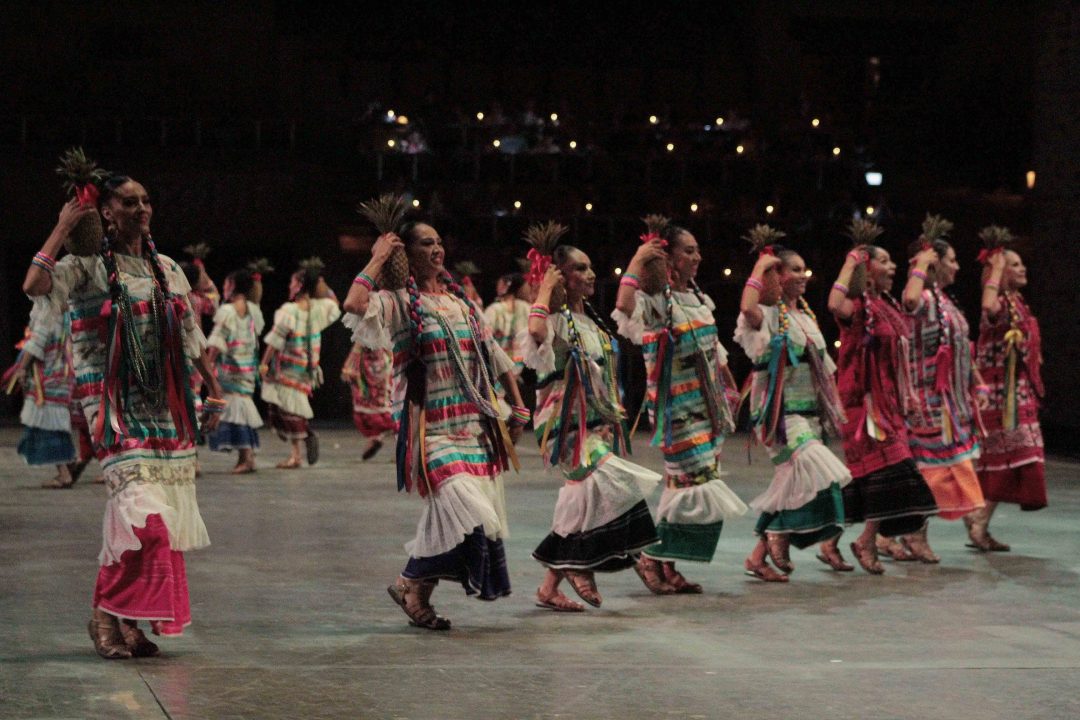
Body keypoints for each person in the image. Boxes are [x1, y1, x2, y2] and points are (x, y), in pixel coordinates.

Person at [22, 176, 224, 659]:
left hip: (165, 410)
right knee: (145, 522)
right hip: (112, 411)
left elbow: (193, 338)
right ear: (106, 213)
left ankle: (127, 624)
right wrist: (62, 226)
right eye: (128, 202)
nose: (141, 209)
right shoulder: (84, 267)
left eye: (146, 200)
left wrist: (214, 392)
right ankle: (103, 613)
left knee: (161, 528)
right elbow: (34, 283)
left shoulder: (168, 269)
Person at [343, 220, 526, 630]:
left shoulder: (460, 302)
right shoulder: (398, 302)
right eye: (427, 244)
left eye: (440, 241)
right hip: (432, 429)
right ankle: (410, 580)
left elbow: (493, 354)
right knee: (467, 509)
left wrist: (517, 407)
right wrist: (378, 256)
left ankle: (414, 592)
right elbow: (355, 304)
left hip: (474, 427)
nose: (437, 249)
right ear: (407, 254)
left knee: (450, 519)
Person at [523, 233, 661, 611]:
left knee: (582, 497)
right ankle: (583, 564)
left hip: (597, 423)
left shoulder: (591, 321)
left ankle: (551, 584)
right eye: (579, 268)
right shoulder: (550, 319)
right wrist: (545, 288)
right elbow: (535, 334)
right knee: (611, 478)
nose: (590, 274)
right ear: (560, 276)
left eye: (590, 267)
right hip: (563, 424)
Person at [612, 221, 748, 593]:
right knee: (697, 485)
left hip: (709, 408)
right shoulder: (659, 302)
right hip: (677, 412)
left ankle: (667, 565)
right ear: (668, 258)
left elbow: (713, 352)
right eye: (688, 251)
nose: (697, 257)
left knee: (683, 486)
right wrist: (639, 260)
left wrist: (730, 392)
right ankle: (651, 557)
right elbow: (623, 305)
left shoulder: (701, 300)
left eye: (697, 250)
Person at [735, 226, 852, 582]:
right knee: (815, 472)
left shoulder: (805, 318)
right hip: (778, 416)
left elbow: (822, 374)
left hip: (808, 414)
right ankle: (777, 536)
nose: (803, 276)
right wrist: (759, 269)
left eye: (804, 270)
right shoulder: (767, 316)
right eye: (795, 270)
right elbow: (746, 307)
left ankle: (758, 555)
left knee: (795, 480)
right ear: (778, 276)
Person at [826, 224, 939, 573]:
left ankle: (832, 541)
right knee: (891, 472)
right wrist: (851, 263)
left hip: (888, 405)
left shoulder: (884, 305)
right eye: (885, 262)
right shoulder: (856, 306)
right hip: (863, 407)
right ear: (868, 269)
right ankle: (865, 540)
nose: (893, 267)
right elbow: (833, 302)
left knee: (869, 480)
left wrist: (910, 398)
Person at [900, 216, 988, 561]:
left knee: (945, 471)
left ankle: (904, 533)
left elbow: (960, 348)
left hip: (949, 402)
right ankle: (913, 534)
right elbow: (908, 300)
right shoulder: (922, 296)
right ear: (935, 263)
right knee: (931, 472)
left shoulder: (944, 301)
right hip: (927, 399)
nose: (957, 265)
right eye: (951, 259)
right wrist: (922, 263)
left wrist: (975, 381)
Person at [970, 230, 1046, 550]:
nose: (1023, 269)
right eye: (1015, 265)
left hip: (1018, 392)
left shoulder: (1018, 303)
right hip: (1000, 394)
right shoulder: (997, 302)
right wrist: (996, 267)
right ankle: (977, 521)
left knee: (1016, 457)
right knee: (1014, 456)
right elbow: (987, 301)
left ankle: (979, 523)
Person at [259, 259, 341, 469]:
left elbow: (276, 341)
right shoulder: (319, 308)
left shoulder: (290, 310)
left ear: (300, 285)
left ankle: (300, 446)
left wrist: (264, 363)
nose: (289, 286)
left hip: (289, 367)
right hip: (306, 366)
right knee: (283, 408)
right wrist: (320, 282)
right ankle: (300, 444)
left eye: (293, 283)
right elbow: (334, 302)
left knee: (286, 409)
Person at [8, 310, 92, 488]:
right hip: (62, 375)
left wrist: (22, 368)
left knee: (47, 426)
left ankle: (64, 473)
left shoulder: (48, 315)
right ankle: (67, 465)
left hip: (49, 378)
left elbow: (35, 343)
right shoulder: (67, 314)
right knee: (53, 425)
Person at [206, 268, 265, 474]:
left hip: (230, 368)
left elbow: (217, 341)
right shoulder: (252, 310)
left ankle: (247, 457)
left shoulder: (228, 311)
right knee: (240, 410)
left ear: (232, 286)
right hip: (247, 368)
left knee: (234, 410)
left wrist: (208, 364)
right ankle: (246, 456)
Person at [340, 341, 396, 460]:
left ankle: (399, 446)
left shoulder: (367, 327)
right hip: (376, 366)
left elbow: (358, 345)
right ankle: (376, 438)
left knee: (376, 409)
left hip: (374, 368)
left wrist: (348, 365)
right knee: (372, 407)